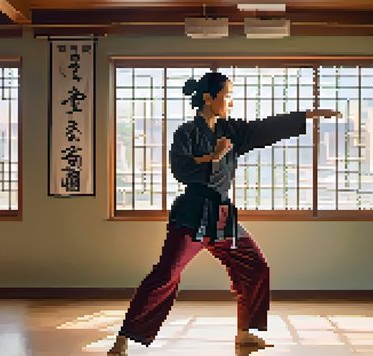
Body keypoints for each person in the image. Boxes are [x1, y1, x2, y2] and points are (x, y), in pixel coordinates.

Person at [108, 71, 341, 355]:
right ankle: (124, 338)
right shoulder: (186, 132)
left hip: (221, 216)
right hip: (192, 213)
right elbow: (181, 169)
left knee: (255, 267)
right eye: (227, 95)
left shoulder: (230, 130)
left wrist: (307, 115)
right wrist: (213, 157)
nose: (231, 101)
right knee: (167, 273)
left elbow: (264, 128)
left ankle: (245, 333)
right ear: (208, 97)